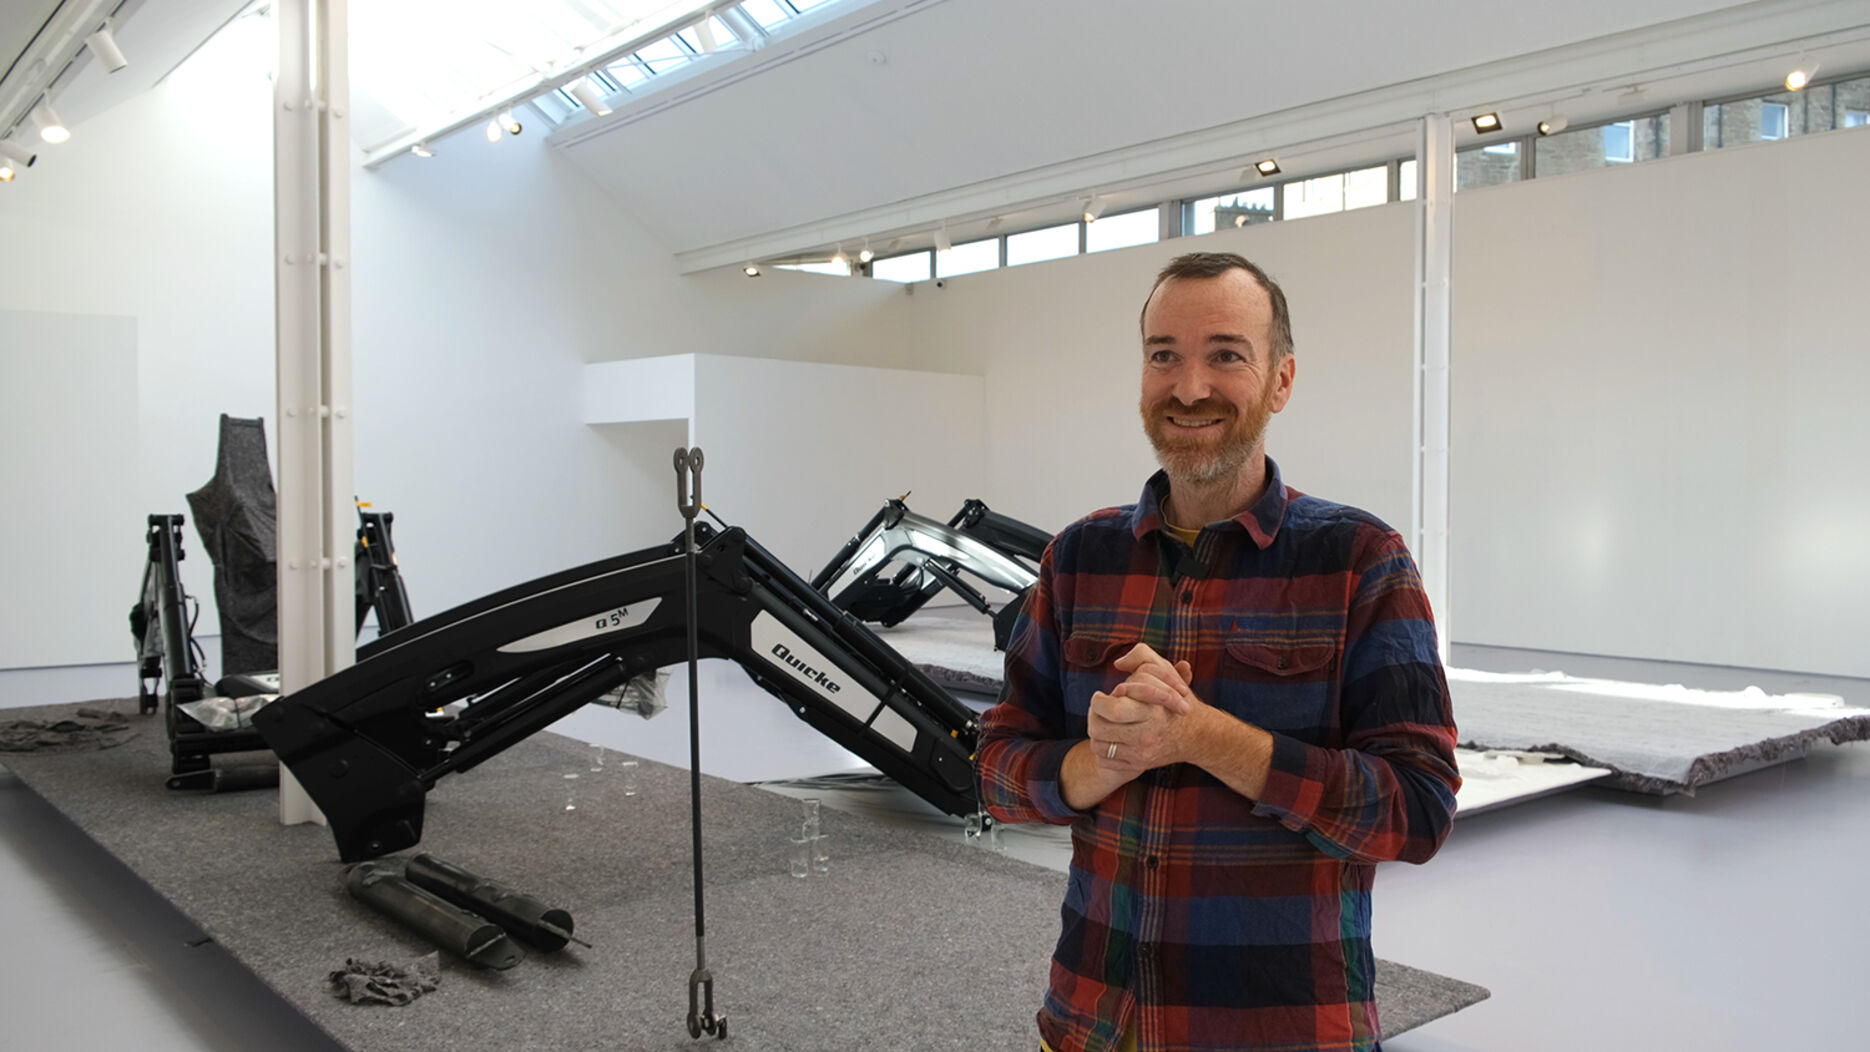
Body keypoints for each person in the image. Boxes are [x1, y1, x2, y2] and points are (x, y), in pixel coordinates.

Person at [977, 251, 1460, 1052]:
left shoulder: (1359, 560)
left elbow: (1418, 810)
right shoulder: (1078, 559)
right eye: (1164, 355)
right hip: (1094, 1026)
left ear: (1281, 380)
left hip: (1281, 1030)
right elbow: (995, 772)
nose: (1190, 387)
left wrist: (1206, 738)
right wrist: (1096, 763)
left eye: (1226, 355)